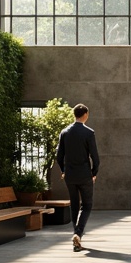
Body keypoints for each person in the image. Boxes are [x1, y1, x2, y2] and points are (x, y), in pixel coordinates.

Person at [56, 103, 100, 251]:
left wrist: (63, 170)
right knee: (87, 205)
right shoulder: (89, 133)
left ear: (74, 114)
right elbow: (95, 157)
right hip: (85, 175)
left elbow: (59, 156)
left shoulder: (65, 132)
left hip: (70, 175)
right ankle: (78, 233)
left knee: (74, 205)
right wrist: (94, 173)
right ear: (85, 115)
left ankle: (77, 239)